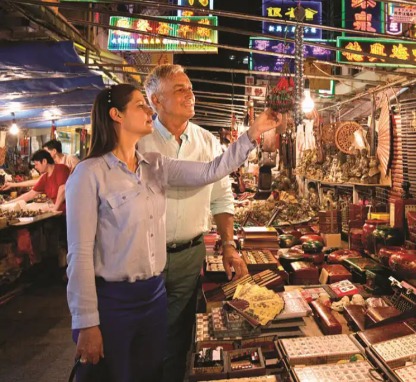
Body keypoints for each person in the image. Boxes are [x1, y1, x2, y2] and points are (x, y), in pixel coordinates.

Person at [65, 84, 281, 382]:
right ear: (116, 114)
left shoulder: (154, 165)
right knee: (114, 374)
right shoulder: (89, 174)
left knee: (151, 371)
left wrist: (253, 132)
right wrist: (86, 322)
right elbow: (79, 254)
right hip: (114, 300)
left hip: (153, 295)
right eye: (141, 105)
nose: (149, 111)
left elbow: (211, 171)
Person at [137, 64, 249, 381]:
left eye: (190, 87)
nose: (190, 94)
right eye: (180, 89)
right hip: (143, 255)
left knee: (178, 336)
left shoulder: (207, 142)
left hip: (189, 255)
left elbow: (221, 197)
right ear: (156, 101)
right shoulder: (139, 142)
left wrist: (228, 245)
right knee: (144, 334)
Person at [1, 140, 79, 191]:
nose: (43, 154)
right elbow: (38, 181)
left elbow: (80, 178)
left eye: (46, 151)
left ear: (54, 151)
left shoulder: (70, 159)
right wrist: (13, 184)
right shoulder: (51, 165)